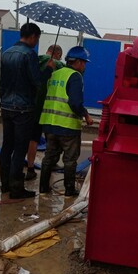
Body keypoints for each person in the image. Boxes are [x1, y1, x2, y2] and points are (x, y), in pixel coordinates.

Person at [0, 22, 55, 199]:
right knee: (20, 147)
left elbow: (3, 82)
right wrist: (48, 70)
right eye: (36, 39)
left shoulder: (7, 53)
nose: (36, 42)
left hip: (6, 106)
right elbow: (37, 81)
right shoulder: (29, 55)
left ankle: (5, 185)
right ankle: (17, 188)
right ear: (32, 37)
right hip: (23, 109)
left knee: (7, 146)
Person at [39, 46, 93, 198]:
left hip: (49, 124)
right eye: (84, 63)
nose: (84, 66)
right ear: (78, 62)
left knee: (49, 157)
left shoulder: (55, 74)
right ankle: (69, 190)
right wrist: (86, 115)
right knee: (70, 160)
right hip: (67, 126)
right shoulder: (75, 76)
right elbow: (75, 103)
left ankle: (43, 188)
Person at [25, 44, 64, 181]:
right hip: (48, 110)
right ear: (57, 54)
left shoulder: (34, 59)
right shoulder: (58, 64)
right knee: (51, 140)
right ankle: (50, 165)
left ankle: (29, 168)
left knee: (32, 139)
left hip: (30, 107)